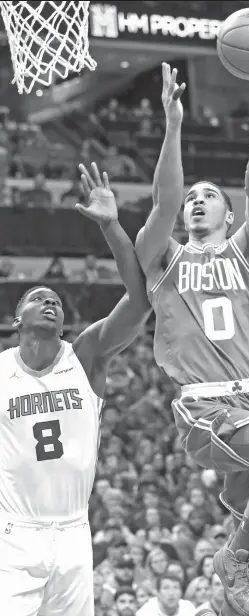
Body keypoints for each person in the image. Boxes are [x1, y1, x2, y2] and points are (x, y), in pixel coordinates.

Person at [135, 39, 249, 616]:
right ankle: (231, 556)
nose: (196, 201)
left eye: (209, 196)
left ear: (228, 215)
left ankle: (232, 582)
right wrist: (172, 129)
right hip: (207, 409)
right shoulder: (162, 258)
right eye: (192, 196)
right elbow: (162, 202)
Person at [0, 162, 151, 616]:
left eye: (57, 301)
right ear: (16, 320)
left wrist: (111, 226)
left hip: (73, 532)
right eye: (38, 298)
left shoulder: (84, 357)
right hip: (15, 533)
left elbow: (142, 299)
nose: (50, 301)